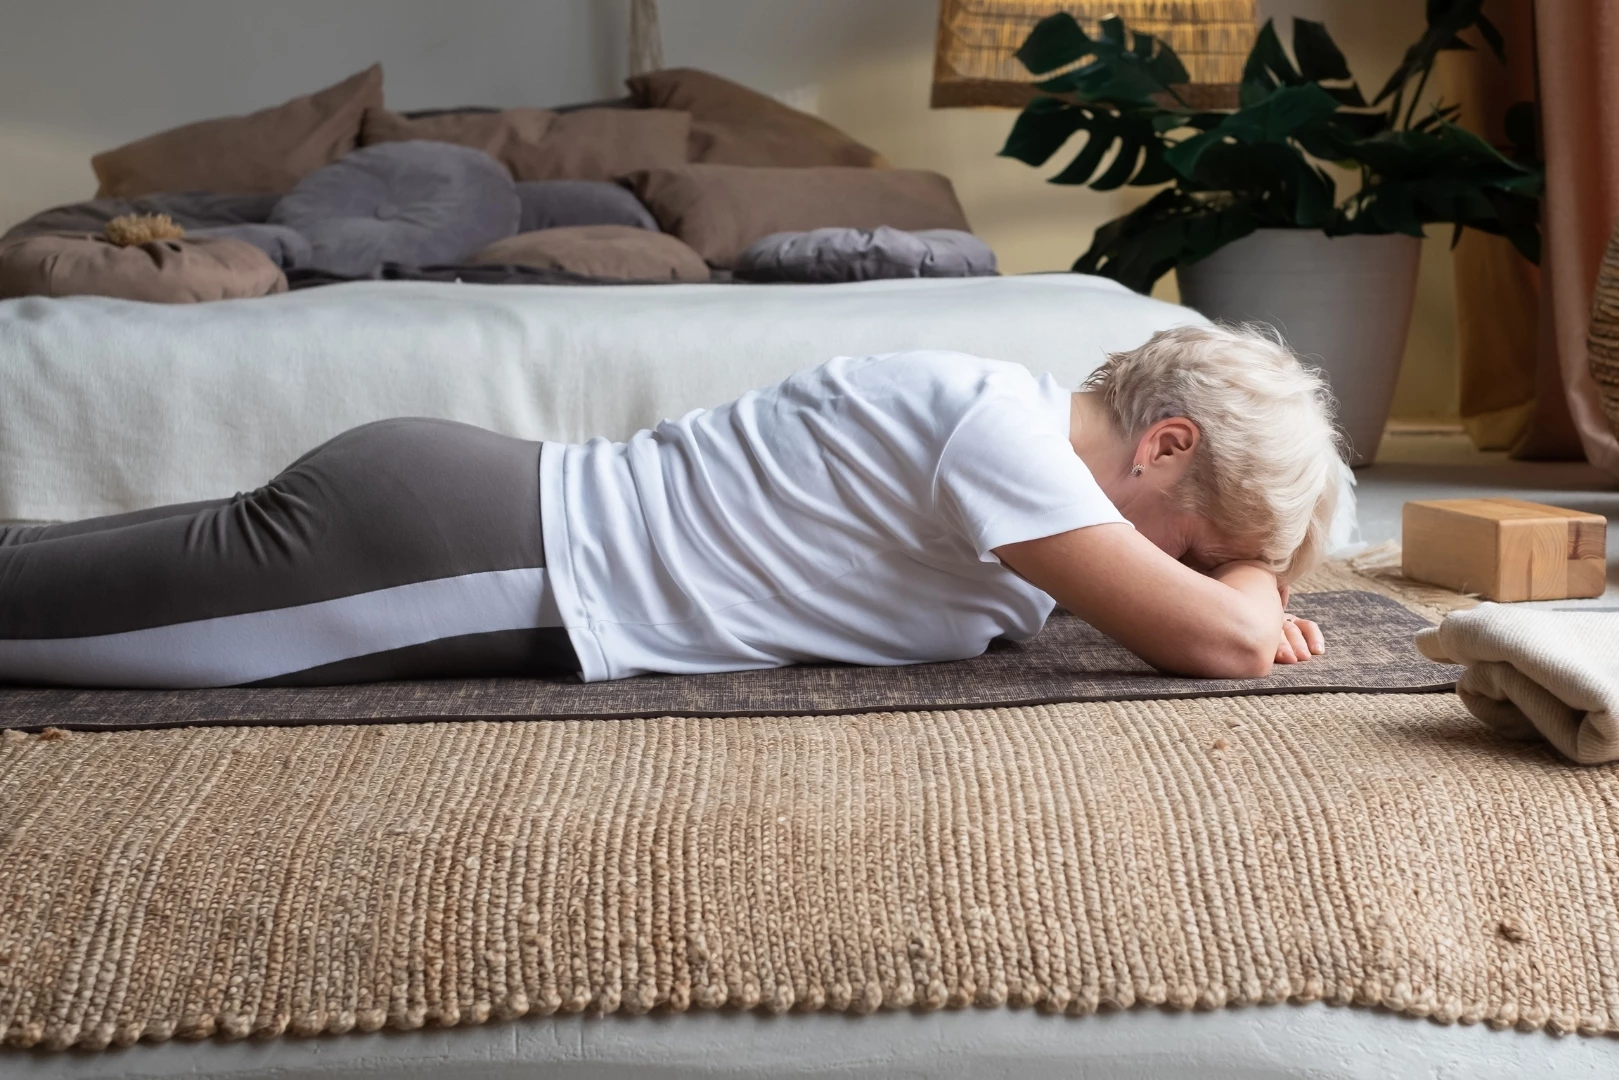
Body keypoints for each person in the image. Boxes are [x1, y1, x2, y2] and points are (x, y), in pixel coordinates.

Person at [0, 323, 1350, 688]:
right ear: (1161, 445)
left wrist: (1243, 560)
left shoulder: (1012, 454)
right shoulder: (1004, 434)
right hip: (450, 547)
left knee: (37, 573)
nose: (1180, 571)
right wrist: (1254, 592)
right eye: (1199, 541)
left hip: (451, 513)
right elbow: (1218, 644)